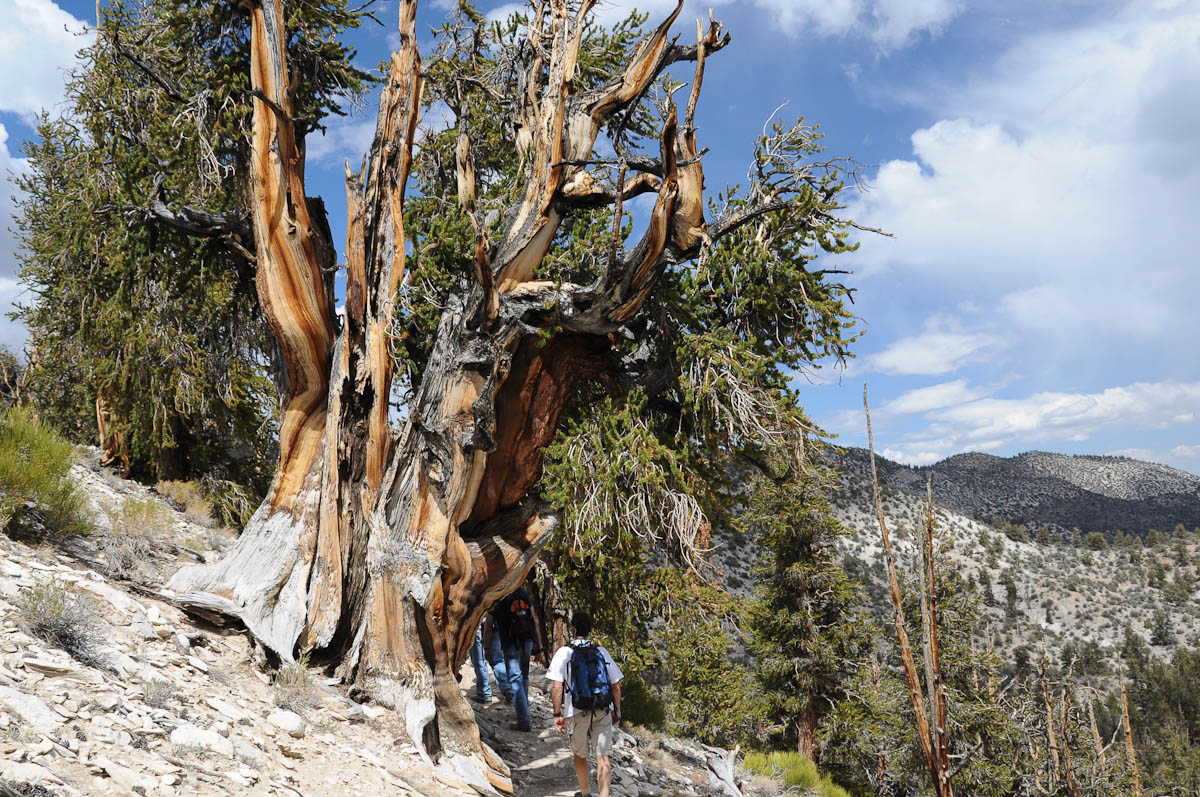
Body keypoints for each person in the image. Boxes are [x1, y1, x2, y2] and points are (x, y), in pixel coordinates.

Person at [548, 611, 623, 797]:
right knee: (603, 758)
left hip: (576, 710)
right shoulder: (601, 651)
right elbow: (616, 685)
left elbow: (557, 686)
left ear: (572, 629)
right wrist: (617, 711)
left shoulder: (564, 652)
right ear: (589, 631)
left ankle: (585, 793)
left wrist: (557, 714)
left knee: (580, 755)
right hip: (602, 709)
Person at [494, 584, 542, 731]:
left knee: (515, 679)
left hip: (510, 643)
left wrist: (487, 646)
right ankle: (524, 711)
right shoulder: (523, 593)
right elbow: (534, 619)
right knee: (524, 676)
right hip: (527, 640)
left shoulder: (501, 594)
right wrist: (539, 644)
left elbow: (491, 619)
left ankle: (523, 720)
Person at [469, 613, 509, 703]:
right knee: (498, 660)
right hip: (494, 624)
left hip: (476, 626)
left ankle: (484, 694)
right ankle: (507, 688)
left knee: (479, 661)